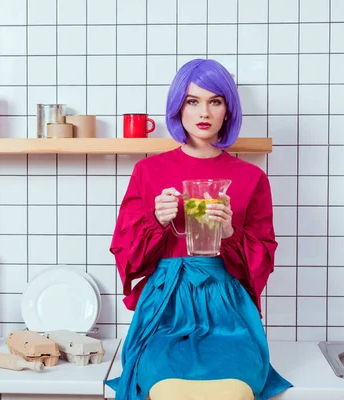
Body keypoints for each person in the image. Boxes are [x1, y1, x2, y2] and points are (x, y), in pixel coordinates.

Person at [105, 59, 292, 400]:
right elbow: (127, 257)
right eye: (193, 101)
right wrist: (156, 223)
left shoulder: (252, 179)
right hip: (165, 309)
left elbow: (262, 261)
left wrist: (231, 233)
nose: (203, 111)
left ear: (227, 110)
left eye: (215, 101)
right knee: (165, 390)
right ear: (179, 108)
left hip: (227, 312)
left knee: (236, 391)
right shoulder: (147, 172)